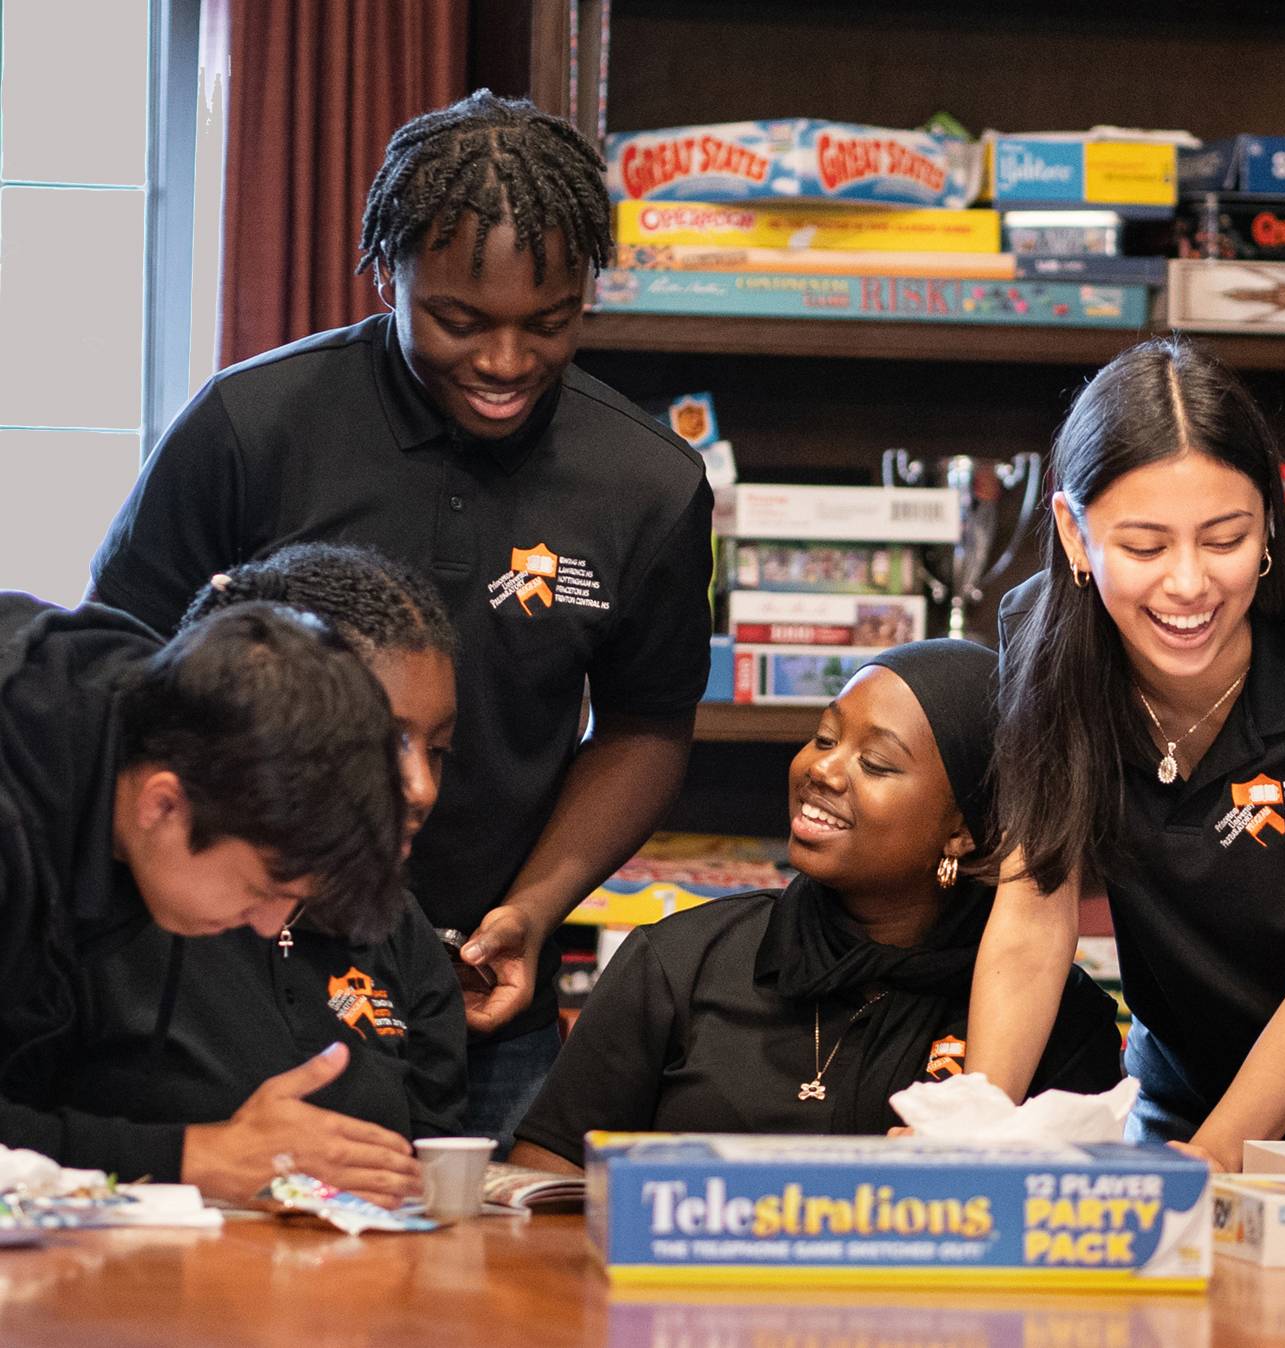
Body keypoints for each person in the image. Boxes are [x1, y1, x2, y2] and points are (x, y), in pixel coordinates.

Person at [89, 91, 715, 1150]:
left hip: (476, 981)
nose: (506, 362)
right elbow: (117, 672)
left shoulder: (649, 484)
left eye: (549, 322)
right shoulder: (252, 426)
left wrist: (535, 907)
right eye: (459, 321)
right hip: (227, 961)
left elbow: (650, 725)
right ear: (391, 271)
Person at [968, 336, 1285, 1171]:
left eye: (1225, 539)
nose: (1188, 585)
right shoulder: (1042, 639)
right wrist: (972, 1134)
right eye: (1144, 547)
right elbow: (1035, 918)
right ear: (1073, 532)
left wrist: (1200, 1170)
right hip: (1182, 1093)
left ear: (1270, 525)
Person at [509, 640, 1122, 1173]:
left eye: (876, 763)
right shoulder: (681, 963)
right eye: (824, 737)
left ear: (961, 831)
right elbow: (544, 1180)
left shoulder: (1053, 1020)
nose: (822, 769)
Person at [57, 544, 468, 1205]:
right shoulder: (68, 881)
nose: (418, 787)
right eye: (379, 744)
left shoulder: (398, 926)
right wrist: (197, 1157)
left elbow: (430, 1168)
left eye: (439, 750)